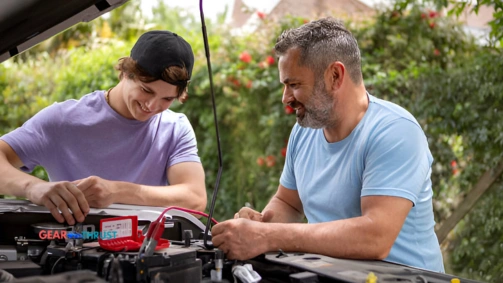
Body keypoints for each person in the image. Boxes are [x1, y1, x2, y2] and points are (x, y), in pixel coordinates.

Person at [211, 18, 444, 272]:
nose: (285, 98)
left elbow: (375, 237)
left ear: (335, 75)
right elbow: (288, 202)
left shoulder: (395, 131)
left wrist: (269, 236)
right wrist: (261, 225)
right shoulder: (304, 131)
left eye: (294, 85)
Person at [0, 30, 207, 225]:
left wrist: (116, 191)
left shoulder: (175, 128)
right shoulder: (62, 121)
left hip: (151, 255)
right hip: (70, 254)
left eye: (167, 98)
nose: (153, 106)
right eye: (146, 90)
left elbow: (195, 198)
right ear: (126, 72)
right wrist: (33, 187)